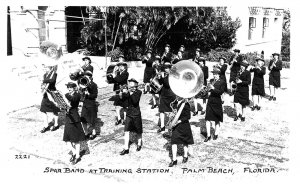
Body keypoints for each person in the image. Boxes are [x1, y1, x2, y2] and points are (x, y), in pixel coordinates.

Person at [63, 82, 86, 165]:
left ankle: (77, 156)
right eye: (68, 87)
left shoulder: (77, 95)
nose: (69, 89)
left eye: (70, 87)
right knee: (67, 139)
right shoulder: (67, 95)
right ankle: (74, 152)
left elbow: (73, 100)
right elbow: (64, 103)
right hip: (68, 118)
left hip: (75, 118)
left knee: (76, 139)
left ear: (74, 88)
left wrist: (64, 96)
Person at [120, 78, 143, 155]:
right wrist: (122, 93)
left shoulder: (139, 92)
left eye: (132, 86)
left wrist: (130, 93)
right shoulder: (129, 92)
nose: (131, 87)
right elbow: (123, 100)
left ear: (136, 86)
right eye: (130, 86)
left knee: (138, 130)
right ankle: (126, 148)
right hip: (129, 114)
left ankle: (139, 144)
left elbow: (135, 101)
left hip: (136, 114)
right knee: (126, 131)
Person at [168, 98, 194, 167]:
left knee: (185, 142)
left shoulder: (186, 104)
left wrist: (179, 121)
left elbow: (188, 116)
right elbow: (173, 112)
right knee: (174, 141)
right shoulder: (174, 102)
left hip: (184, 125)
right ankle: (174, 160)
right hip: (176, 126)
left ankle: (185, 156)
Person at [204, 67, 226, 142]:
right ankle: (208, 135)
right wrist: (205, 89)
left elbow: (221, 92)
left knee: (217, 120)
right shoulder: (211, 81)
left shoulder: (222, 82)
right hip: (210, 100)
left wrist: (213, 88)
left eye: (216, 74)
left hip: (217, 101)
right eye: (213, 74)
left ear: (219, 75)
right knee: (207, 119)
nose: (214, 75)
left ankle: (216, 134)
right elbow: (207, 90)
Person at [157, 62, 176, 133]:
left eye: (167, 68)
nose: (165, 69)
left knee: (171, 110)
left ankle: (171, 125)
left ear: (170, 68)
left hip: (170, 94)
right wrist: (159, 78)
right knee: (161, 110)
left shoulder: (172, 75)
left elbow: (168, 84)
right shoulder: (165, 74)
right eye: (165, 68)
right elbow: (161, 83)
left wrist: (162, 77)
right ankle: (162, 126)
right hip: (163, 94)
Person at [40, 65, 60, 133]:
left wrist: (43, 80)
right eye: (44, 67)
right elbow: (44, 83)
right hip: (46, 94)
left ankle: (56, 124)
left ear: (50, 68)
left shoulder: (54, 74)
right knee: (43, 109)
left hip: (52, 94)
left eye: (46, 67)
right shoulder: (45, 74)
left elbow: (52, 80)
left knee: (55, 110)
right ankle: (46, 125)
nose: (45, 68)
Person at [80, 71, 98, 140]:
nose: (85, 77)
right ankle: (86, 133)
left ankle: (94, 133)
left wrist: (88, 94)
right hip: (85, 104)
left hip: (91, 104)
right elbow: (81, 94)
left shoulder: (94, 85)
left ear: (90, 77)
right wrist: (82, 90)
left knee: (91, 120)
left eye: (86, 76)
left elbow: (95, 95)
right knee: (83, 119)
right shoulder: (83, 83)